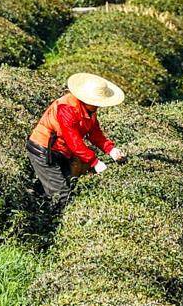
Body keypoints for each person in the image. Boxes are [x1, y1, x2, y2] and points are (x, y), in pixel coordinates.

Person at [27, 72, 129, 215]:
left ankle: (38, 200)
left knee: (66, 184)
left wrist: (110, 149)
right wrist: (94, 162)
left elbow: (94, 132)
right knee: (62, 195)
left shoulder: (90, 109)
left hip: (62, 151)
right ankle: (50, 222)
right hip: (44, 150)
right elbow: (73, 140)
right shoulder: (67, 108)